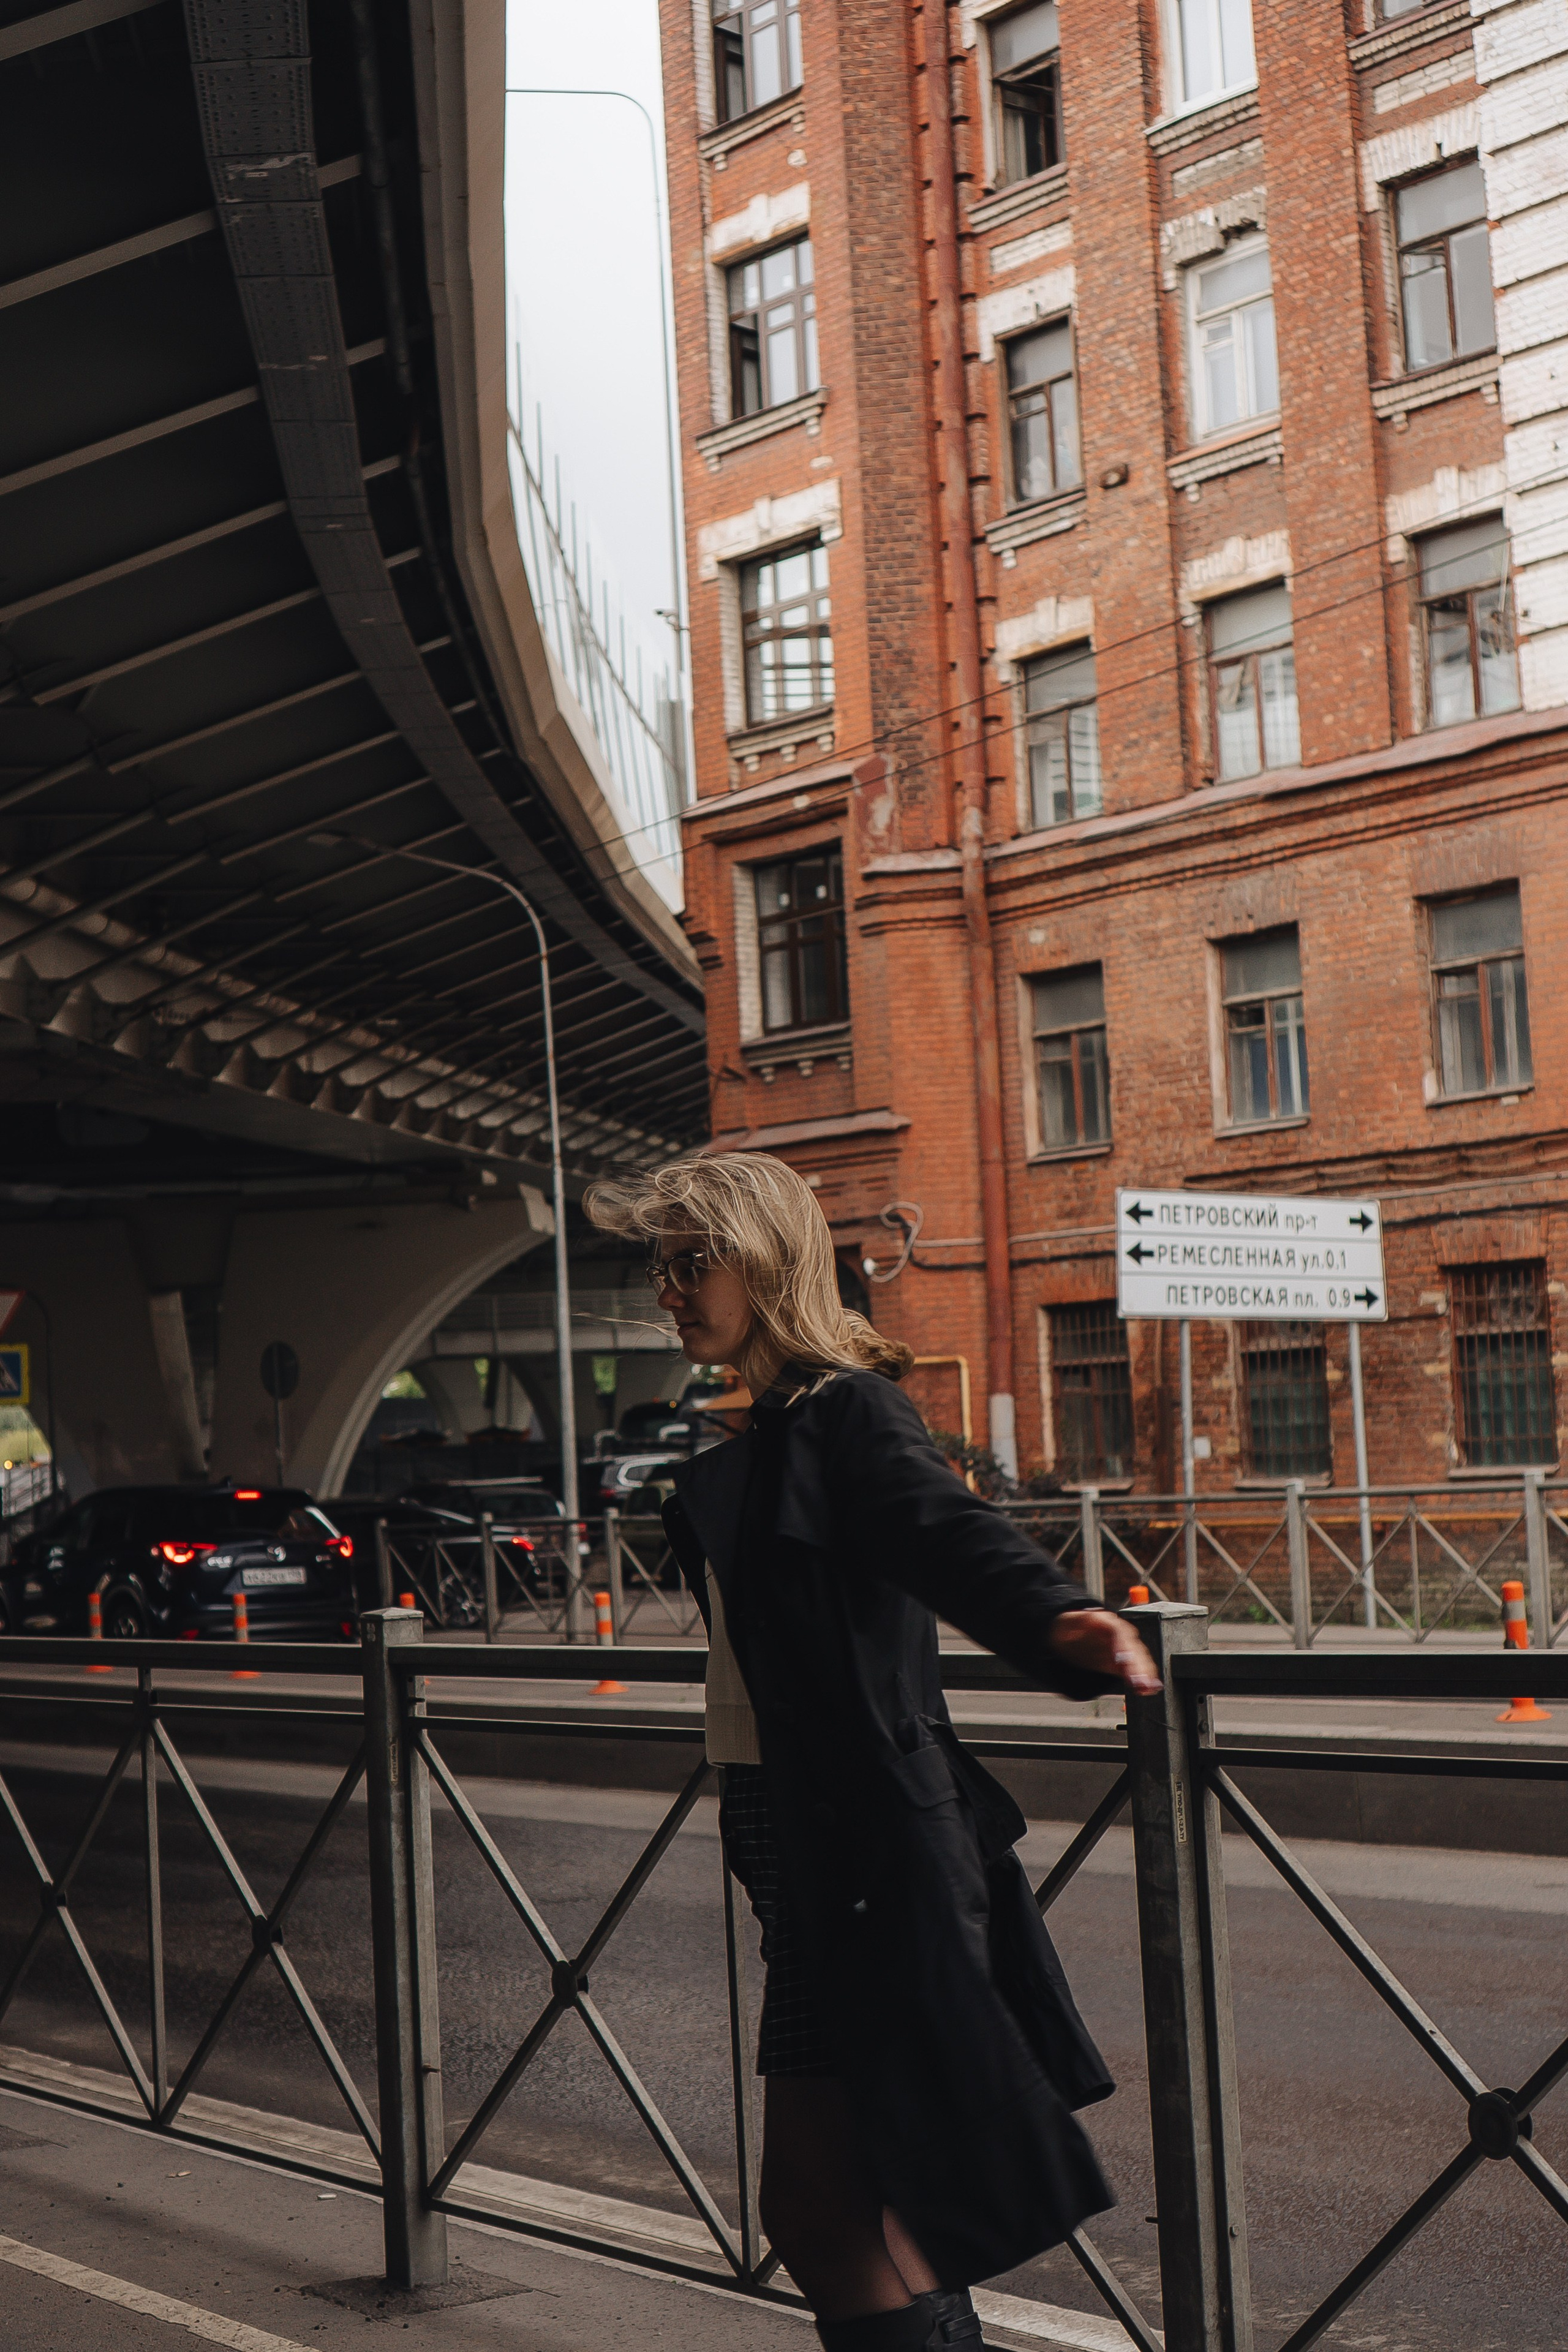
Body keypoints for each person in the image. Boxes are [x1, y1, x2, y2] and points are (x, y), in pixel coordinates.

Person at [586, 1153, 1161, 2352]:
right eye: (660, 1266)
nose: (669, 1291)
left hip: (855, 1843)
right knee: (853, 2197)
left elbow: (933, 1522)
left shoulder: (845, 1410)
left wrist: (1051, 1618)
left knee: (826, 2202)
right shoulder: (755, 1427)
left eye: (694, 1262)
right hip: (789, 1827)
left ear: (766, 1259)